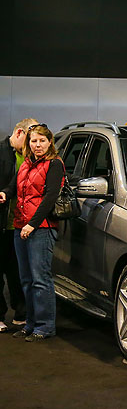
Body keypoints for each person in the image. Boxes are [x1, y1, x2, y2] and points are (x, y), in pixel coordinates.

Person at [0, 124, 65, 341]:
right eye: (34, 141)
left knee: (40, 279)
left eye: (42, 141)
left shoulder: (54, 164)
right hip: (20, 226)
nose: (37, 145)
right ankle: (30, 324)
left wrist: (32, 224)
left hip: (41, 228)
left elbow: (50, 197)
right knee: (26, 279)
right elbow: (14, 186)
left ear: (50, 142)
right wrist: (5, 193)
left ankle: (45, 326)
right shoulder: (27, 163)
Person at [0, 118, 37, 331]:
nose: (33, 144)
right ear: (19, 133)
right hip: (2, 223)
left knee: (18, 272)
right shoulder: (2, 152)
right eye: (30, 139)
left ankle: (20, 313)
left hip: (20, 226)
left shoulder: (31, 158)